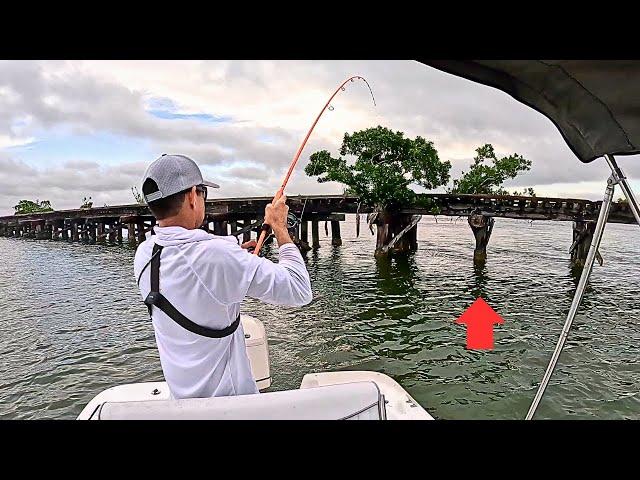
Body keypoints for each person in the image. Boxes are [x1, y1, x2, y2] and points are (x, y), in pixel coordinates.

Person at [133, 154, 312, 399]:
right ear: (192, 196)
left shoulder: (145, 254)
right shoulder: (218, 255)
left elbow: (193, 269)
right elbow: (299, 290)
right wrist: (280, 227)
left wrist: (238, 258)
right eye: (203, 192)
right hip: (231, 407)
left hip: (184, 406)